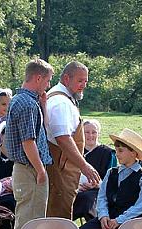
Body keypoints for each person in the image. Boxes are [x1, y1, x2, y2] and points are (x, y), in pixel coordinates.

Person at [5, 59, 54, 229]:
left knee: (27, 218)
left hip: (26, 168)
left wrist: (43, 105)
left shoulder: (22, 100)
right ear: (38, 78)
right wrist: (41, 170)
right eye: (48, 81)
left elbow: (42, 128)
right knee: (31, 222)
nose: (48, 85)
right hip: (30, 169)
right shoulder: (27, 105)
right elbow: (28, 142)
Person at [79, 128, 142, 229]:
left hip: (130, 221)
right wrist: (103, 216)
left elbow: (141, 205)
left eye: (121, 151)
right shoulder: (111, 172)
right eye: (116, 150)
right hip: (108, 217)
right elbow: (102, 197)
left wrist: (119, 220)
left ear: (133, 153)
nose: (117, 154)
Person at [45, 61, 100, 220]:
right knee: (58, 220)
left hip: (62, 168)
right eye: (79, 80)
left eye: (86, 81)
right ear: (66, 78)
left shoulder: (61, 98)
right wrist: (84, 165)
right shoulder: (61, 102)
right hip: (59, 169)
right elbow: (62, 138)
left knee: (58, 218)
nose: (83, 85)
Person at [73, 119, 117, 222]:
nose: (90, 135)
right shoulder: (75, 153)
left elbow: (112, 181)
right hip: (77, 190)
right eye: (86, 132)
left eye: (94, 132)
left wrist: (96, 185)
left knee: (89, 201)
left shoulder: (108, 153)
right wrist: (77, 186)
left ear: (98, 133)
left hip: (99, 192)